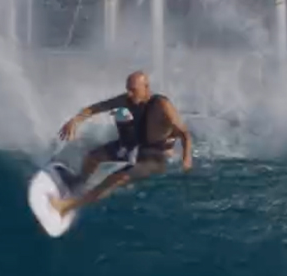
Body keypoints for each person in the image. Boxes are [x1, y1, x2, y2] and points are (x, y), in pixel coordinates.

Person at [50, 70, 192, 216]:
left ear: (146, 88)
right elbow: (96, 108)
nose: (129, 94)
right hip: (135, 145)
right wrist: (75, 120)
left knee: (118, 177)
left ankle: (67, 206)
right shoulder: (126, 100)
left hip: (155, 155)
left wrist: (186, 158)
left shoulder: (162, 105)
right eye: (128, 89)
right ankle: (79, 183)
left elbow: (184, 133)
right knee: (93, 157)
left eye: (133, 90)